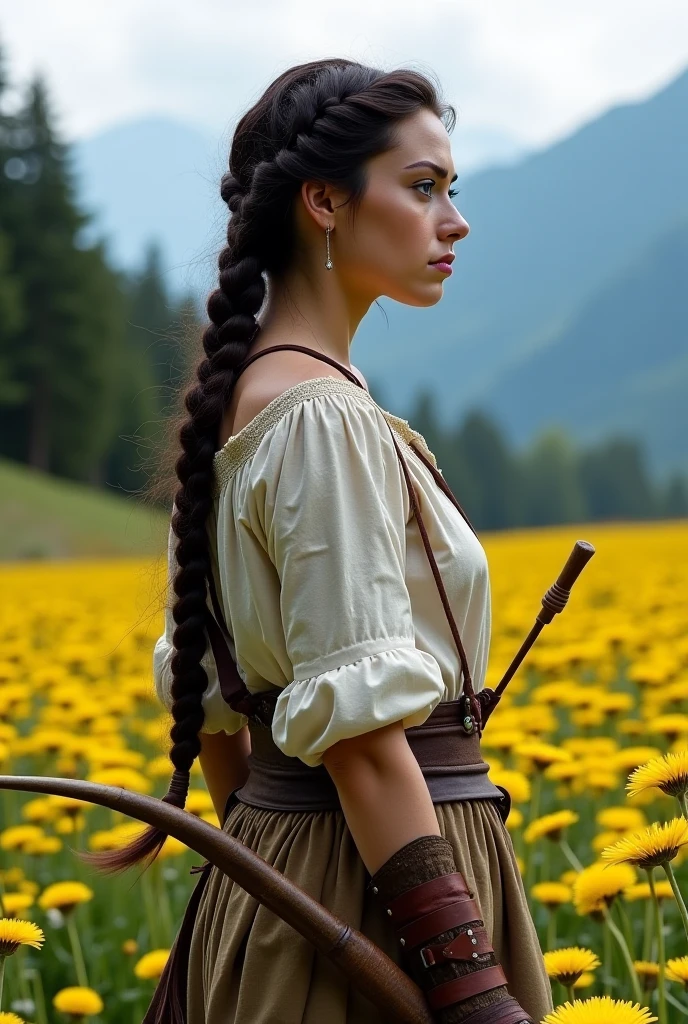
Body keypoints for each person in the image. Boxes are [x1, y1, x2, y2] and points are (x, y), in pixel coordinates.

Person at [94, 58, 554, 1023]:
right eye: (422, 188)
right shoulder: (317, 420)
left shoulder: (242, 404)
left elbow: (224, 722)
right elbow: (363, 746)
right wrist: (472, 992)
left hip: (300, 880)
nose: (454, 220)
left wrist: (278, 863)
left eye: (451, 190)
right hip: (380, 895)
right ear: (324, 203)